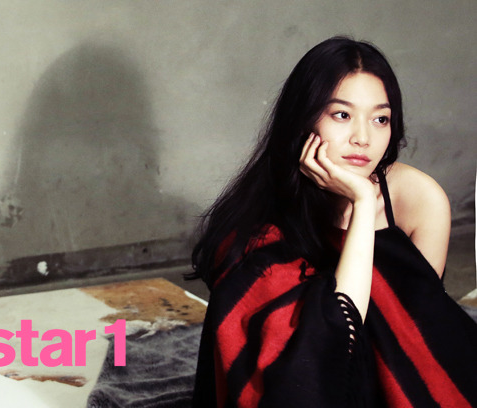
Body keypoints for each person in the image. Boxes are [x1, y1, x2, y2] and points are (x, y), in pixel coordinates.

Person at [190, 37, 477, 407]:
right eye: (342, 115)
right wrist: (362, 204)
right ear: (303, 119)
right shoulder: (259, 224)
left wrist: (362, 200)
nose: (363, 138)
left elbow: (419, 333)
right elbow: (331, 342)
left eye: (380, 119)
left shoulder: (418, 199)